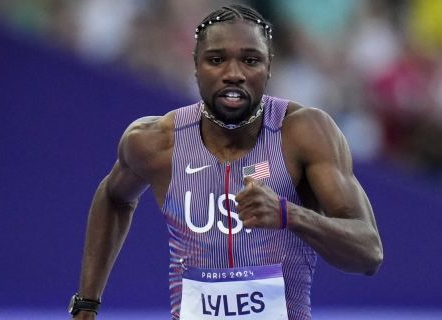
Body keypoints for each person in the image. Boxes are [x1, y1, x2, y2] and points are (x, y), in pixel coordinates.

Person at [68, 4, 383, 320]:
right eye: (216, 60)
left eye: (250, 60)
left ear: (269, 67)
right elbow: (113, 197)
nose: (234, 74)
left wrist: (290, 215)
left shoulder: (305, 133)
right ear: (196, 66)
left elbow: (369, 253)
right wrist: (87, 303)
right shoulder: (155, 142)